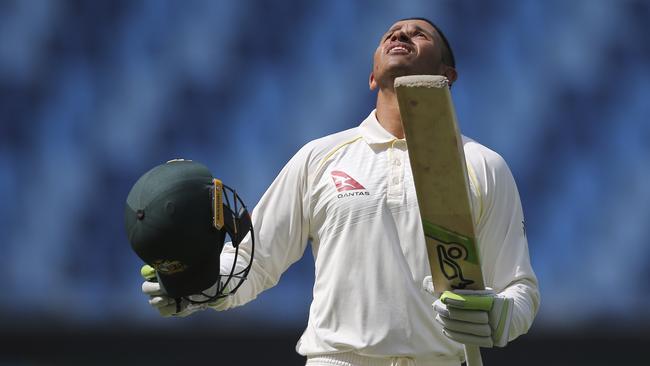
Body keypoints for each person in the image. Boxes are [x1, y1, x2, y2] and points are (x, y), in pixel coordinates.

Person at [142, 18, 540, 366]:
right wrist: (196, 285)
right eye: (391, 33)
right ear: (371, 77)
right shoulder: (321, 158)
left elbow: (519, 289)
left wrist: (500, 316)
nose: (401, 33)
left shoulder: (482, 165)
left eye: (419, 34)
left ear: (447, 75)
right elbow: (255, 261)